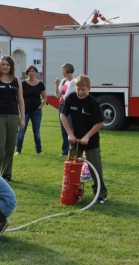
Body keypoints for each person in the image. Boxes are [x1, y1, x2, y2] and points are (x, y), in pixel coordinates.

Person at [60, 74, 108, 204]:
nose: (80, 92)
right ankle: (71, 192)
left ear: (89, 88)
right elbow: (63, 115)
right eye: (78, 89)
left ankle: (100, 194)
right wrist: (70, 133)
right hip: (75, 140)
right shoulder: (71, 98)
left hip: (91, 141)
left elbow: (99, 123)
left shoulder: (92, 102)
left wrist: (87, 136)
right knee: (71, 167)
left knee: (95, 168)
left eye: (83, 89)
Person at [15, 65, 47, 155]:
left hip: (36, 111)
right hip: (25, 111)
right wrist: (20, 110)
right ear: (27, 73)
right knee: (21, 130)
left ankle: (39, 150)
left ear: (36, 72)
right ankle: (18, 150)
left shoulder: (40, 84)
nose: (31, 73)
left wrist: (40, 107)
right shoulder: (23, 84)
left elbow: (45, 98)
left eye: (33, 71)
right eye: (30, 71)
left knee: (36, 131)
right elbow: (19, 97)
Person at [55, 62, 76, 156]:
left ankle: (73, 149)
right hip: (61, 106)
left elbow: (66, 96)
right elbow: (57, 95)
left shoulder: (73, 82)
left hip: (69, 108)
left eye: (63, 70)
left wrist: (61, 96)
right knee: (63, 129)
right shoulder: (63, 81)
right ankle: (64, 151)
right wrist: (57, 85)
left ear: (68, 70)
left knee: (70, 128)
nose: (62, 72)